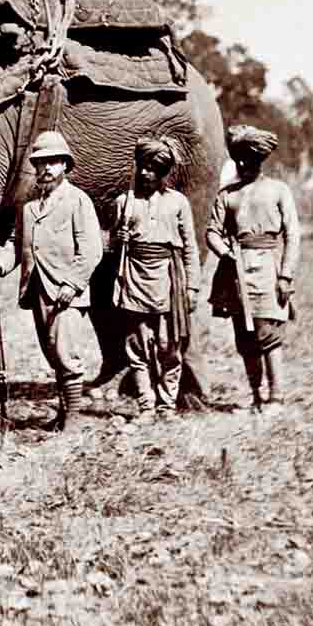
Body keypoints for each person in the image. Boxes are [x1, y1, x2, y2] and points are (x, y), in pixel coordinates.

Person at [0, 130, 103, 432]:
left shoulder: (78, 201)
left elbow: (91, 249)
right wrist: (2, 261)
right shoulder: (29, 207)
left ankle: (73, 420)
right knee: (52, 352)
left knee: (66, 354)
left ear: (65, 165)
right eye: (41, 162)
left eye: (53, 162)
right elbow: (17, 244)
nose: (46, 168)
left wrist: (72, 284)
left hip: (66, 292)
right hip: (37, 289)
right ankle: (64, 414)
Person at [206, 125, 301, 413]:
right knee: (245, 336)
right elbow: (212, 231)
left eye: (251, 159)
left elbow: (293, 234)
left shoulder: (278, 190)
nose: (244, 165)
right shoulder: (228, 195)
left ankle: (277, 398)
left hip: (268, 270)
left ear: (260, 159)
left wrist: (285, 276)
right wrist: (225, 252)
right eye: (240, 159)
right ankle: (256, 396)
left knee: (268, 333)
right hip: (236, 272)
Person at [108, 137, 200, 424]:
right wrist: (117, 239)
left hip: (168, 280)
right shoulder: (125, 202)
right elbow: (111, 243)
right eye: (143, 167)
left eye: (154, 169)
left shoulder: (177, 203)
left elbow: (190, 247)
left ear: (164, 173)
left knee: (167, 345)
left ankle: (167, 405)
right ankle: (146, 404)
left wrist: (192, 286)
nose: (146, 173)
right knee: (137, 345)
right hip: (134, 277)